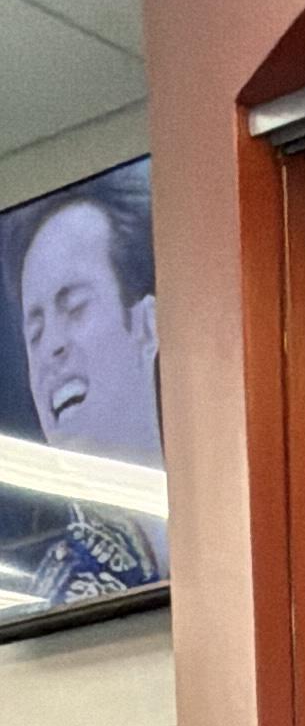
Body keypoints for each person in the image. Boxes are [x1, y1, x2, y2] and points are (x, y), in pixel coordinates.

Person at [0, 165, 166, 609]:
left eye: (74, 308)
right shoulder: (52, 593)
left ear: (148, 324)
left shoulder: (236, 520)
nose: (51, 347)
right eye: (35, 333)